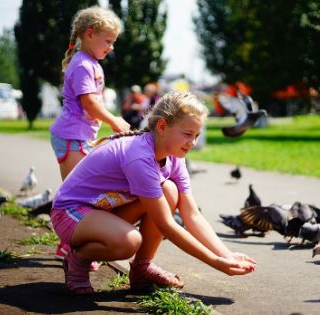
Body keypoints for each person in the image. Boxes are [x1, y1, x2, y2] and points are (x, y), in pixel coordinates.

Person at [50, 91, 257, 295]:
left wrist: (226, 255)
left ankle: (142, 269)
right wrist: (214, 262)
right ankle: (78, 258)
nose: (192, 143)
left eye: (196, 136)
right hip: (70, 213)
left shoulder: (175, 157)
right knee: (128, 242)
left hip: (103, 211)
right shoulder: (140, 158)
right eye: (187, 134)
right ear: (162, 126)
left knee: (169, 190)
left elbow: (192, 214)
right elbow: (167, 224)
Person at [50, 6, 130, 263]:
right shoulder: (83, 64)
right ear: (90, 34)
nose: (111, 47)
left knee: (84, 192)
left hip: (79, 137)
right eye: (108, 41)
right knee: (76, 196)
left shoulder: (90, 62)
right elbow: (90, 103)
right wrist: (114, 121)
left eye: (113, 42)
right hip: (70, 137)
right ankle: (71, 245)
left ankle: (77, 242)